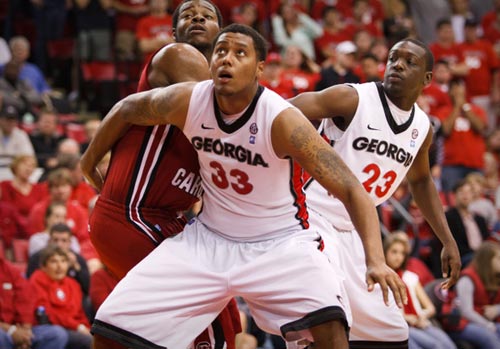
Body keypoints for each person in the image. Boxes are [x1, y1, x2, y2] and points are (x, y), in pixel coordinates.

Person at [83, 23, 405, 348]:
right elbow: (127, 108)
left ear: (259, 68)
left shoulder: (281, 119)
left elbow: (351, 188)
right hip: (208, 240)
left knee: (329, 324)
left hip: (278, 242)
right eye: (221, 51)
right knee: (111, 325)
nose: (227, 59)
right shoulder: (189, 100)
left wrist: (376, 260)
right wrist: (88, 159)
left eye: (240, 53)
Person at [80, 0, 241, 347]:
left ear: (222, 32)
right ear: (172, 32)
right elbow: (229, 123)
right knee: (205, 312)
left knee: (218, 309)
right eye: (187, 14)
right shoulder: (178, 55)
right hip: (134, 214)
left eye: (207, 14)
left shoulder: (221, 86)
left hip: (164, 218)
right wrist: (88, 160)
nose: (197, 16)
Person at [289, 38, 462, 348]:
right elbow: (282, 113)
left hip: (357, 232)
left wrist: (447, 239)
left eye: (410, 62)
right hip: (310, 219)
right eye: (394, 58)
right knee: (326, 319)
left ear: (427, 79)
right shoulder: (352, 98)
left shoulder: (422, 128)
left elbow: (421, 182)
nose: (397, 65)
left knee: (391, 332)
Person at [384, 232, 457, 349]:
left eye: (402, 253)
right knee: (436, 346)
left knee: (449, 345)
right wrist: (408, 319)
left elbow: (430, 308)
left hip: (420, 322)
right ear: (385, 252)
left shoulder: (411, 277)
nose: (398, 257)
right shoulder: (382, 280)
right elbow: (384, 313)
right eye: (394, 252)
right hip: (401, 326)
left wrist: (420, 317)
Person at [0, 253, 68, 349]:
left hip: (18, 327)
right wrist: (11, 330)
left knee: (57, 334)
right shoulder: (38, 278)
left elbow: (25, 299)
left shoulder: (8, 269)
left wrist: (26, 331)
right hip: (4, 330)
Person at [29, 245, 92, 349]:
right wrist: (78, 327)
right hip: (50, 328)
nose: (60, 266)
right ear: (43, 266)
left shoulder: (73, 284)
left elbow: (80, 314)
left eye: (63, 261)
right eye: (54, 261)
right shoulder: (37, 280)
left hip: (73, 328)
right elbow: (47, 312)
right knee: (87, 341)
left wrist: (87, 328)